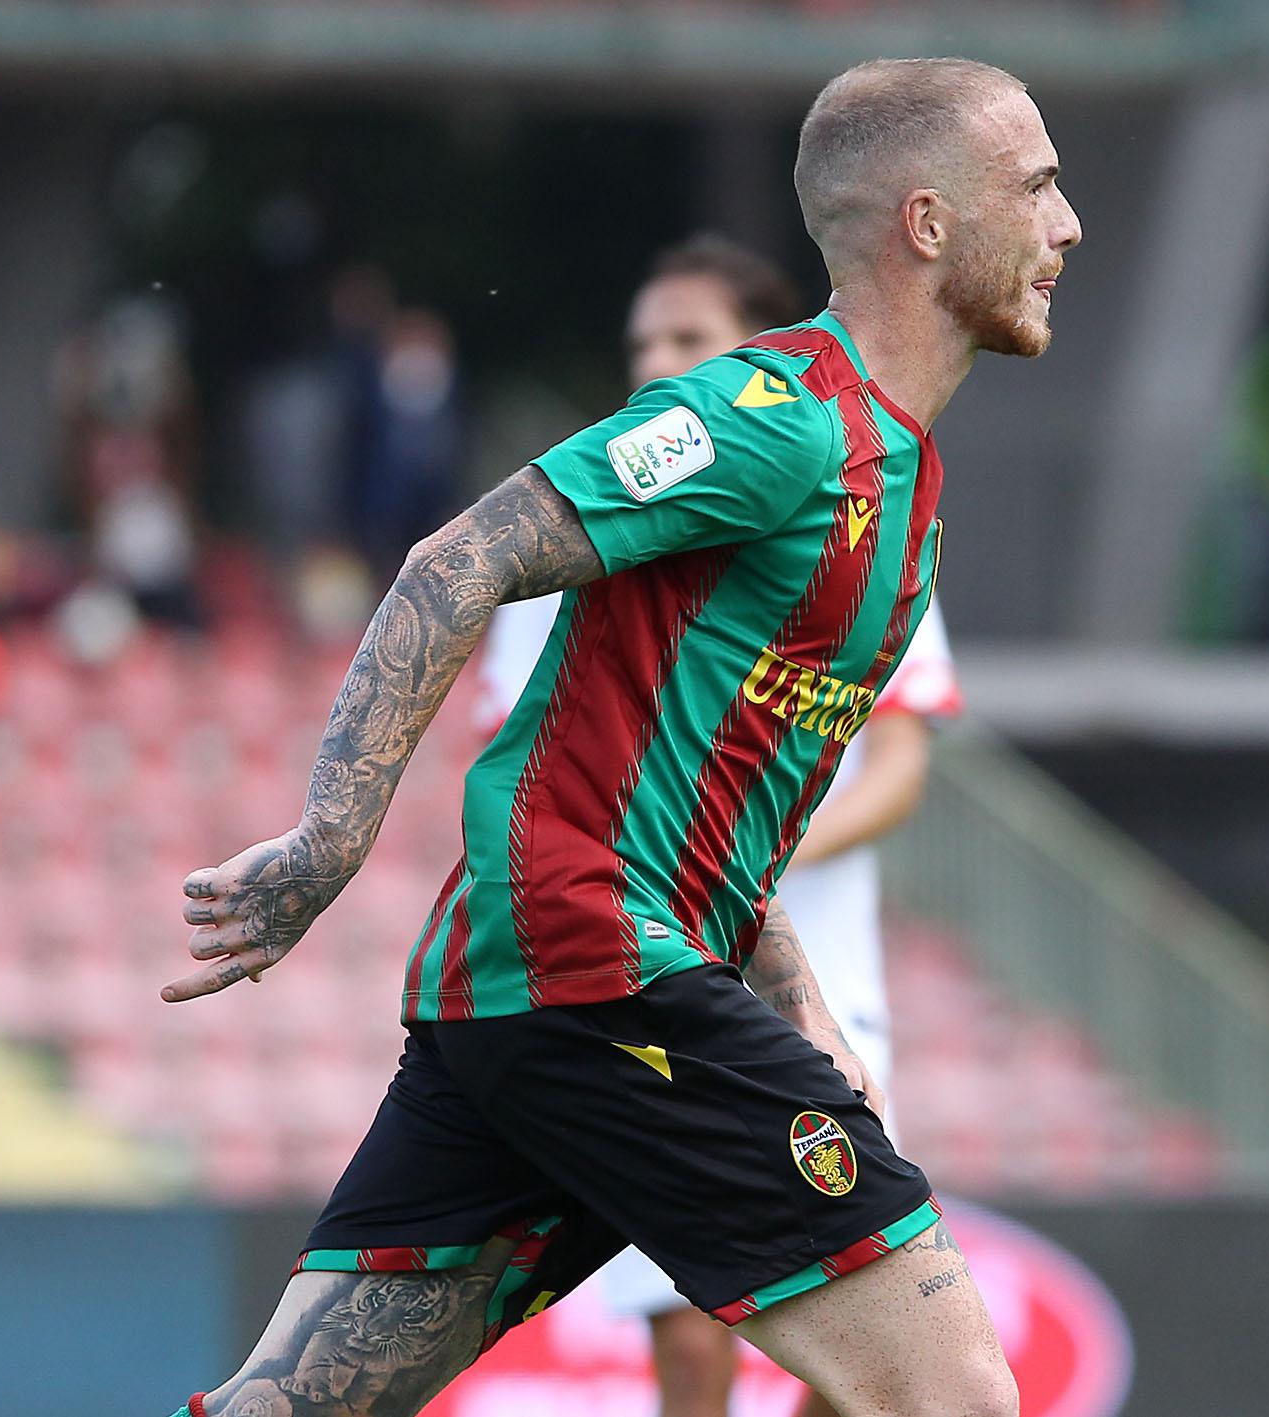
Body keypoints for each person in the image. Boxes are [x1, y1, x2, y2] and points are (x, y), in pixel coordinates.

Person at [161, 55, 1078, 1417]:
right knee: (953, 1397)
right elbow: (452, 562)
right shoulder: (773, 418)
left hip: (538, 993)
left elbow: (716, 804)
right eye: (1037, 186)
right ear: (929, 223)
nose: (1066, 225)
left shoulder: (904, 485)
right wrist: (327, 840)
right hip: (594, 967)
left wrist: (795, 1002)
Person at [476, 234, 964, 1417]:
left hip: (820, 988)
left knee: (869, 1330)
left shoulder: (867, 519)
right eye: (641, 341)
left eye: (687, 338)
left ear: (764, 355)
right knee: (687, 1339)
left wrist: (745, 857)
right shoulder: (582, 531)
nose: (655, 362)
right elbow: (527, 776)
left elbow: (897, 768)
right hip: (638, 981)